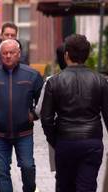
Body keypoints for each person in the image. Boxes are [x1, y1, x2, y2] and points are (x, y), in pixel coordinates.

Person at [41, 34, 108, 192]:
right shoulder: (100, 81)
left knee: (64, 186)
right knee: (87, 186)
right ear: (87, 55)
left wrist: (55, 140)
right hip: (92, 141)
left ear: (66, 55)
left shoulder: (54, 82)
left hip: (65, 141)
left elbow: (46, 119)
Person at [0, 39, 43, 192]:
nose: (8, 56)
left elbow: (43, 100)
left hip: (24, 133)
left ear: (19, 54)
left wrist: (33, 115)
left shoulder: (32, 75)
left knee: (28, 167)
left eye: (12, 53)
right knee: (2, 172)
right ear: (0, 54)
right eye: (4, 53)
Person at [35, 44, 67, 192]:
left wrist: (51, 137)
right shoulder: (97, 79)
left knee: (62, 177)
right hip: (89, 137)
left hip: (59, 136)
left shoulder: (51, 80)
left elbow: (40, 110)